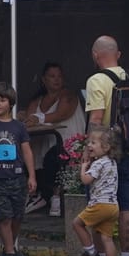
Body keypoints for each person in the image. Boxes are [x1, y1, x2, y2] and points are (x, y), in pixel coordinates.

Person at [83, 35, 129, 256]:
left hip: (104, 157)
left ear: (95, 55)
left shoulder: (96, 80)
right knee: (126, 207)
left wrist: (87, 153)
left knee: (99, 207)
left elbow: (96, 119)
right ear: (118, 55)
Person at [20, 61, 82, 215]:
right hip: (44, 143)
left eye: (59, 76)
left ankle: (55, 198)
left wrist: (38, 118)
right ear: (43, 79)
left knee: (54, 158)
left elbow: (62, 113)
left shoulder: (69, 96)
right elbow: (29, 118)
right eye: (52, 76)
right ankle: (35, 195)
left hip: (69, 143)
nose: (56, 79)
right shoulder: (38, 100)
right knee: (25, 150)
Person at [0, 83, 33, 256]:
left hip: (17, 176)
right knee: (4, 216)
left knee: (17, 216)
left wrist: (32, 176)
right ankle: (10, 253)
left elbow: (27, 151)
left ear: (10, 103)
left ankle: (9, 248)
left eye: (2, 100)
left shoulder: (18, 127)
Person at [70, 128, 123, 256]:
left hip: (100, 204)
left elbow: (86, 180)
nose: (89, 146)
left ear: (106, 147)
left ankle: (91, 252)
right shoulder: (112, 163)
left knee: (77, 224)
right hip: (113, 206)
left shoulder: (98, 164)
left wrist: (83, 168)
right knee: (107, 238)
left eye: (93, 143)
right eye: (88, 142)